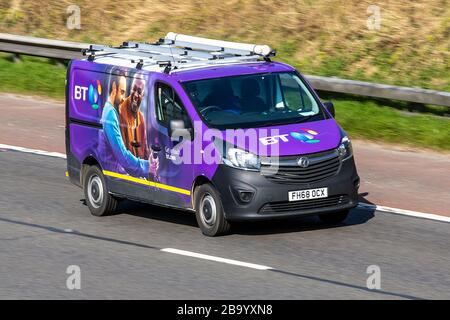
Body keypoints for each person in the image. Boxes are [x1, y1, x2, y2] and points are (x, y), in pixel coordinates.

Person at [98, 70, 158, 179]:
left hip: (120, 174)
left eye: (139, 91)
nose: (123, 99)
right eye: (122, 92)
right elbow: (123, 156)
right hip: (116, 177)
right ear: (114, 87)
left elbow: (143, 149)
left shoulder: (139, 118)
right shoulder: (110, 114)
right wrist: (147, 166)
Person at [118, 75, 149, 159]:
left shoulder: (141, 118)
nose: (135, 95)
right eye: (134, 89)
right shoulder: (120, 111)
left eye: (139, 92)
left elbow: (145, 150)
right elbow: (122, 153)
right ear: (130, 89)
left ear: (143, 95)